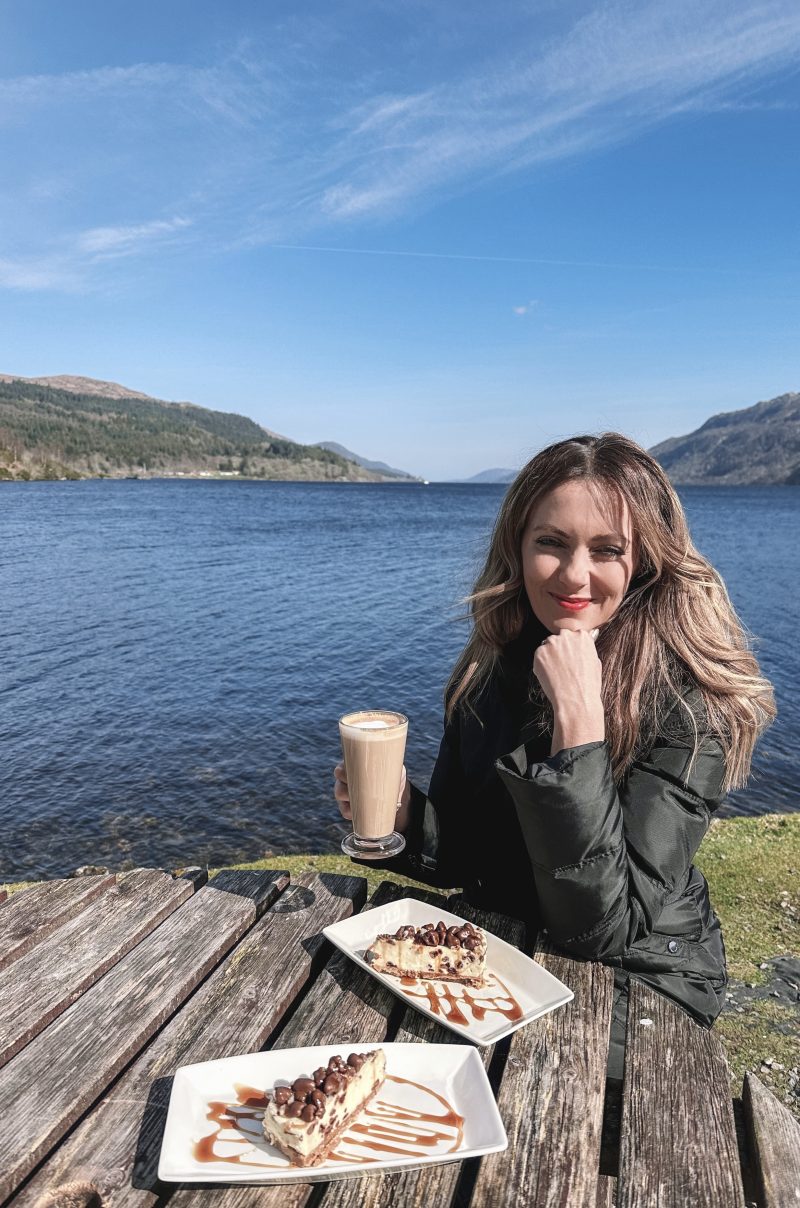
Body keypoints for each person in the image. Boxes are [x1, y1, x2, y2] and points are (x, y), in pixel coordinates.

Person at [334, 433, 775, 1072]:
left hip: (641, 980)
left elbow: (602, 927)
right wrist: (406, 818)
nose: (573, 575)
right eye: (550, 543)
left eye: (607, 550)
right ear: (517, 547)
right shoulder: (492, 670)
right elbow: (475, 859)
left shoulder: (690, 704)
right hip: (511, 945)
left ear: (645, 562)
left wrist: (581, 730)